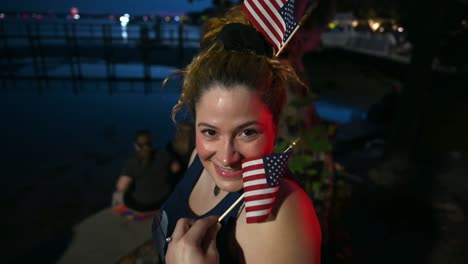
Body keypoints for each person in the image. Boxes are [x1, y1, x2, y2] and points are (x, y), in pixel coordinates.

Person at [152, 6, 321, 263]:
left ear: (275, 126)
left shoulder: (282, 215)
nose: (227, 156)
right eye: (210, 132)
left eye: (247, 132)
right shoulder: (198, 158)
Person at [114, 129, 174, 212]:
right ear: (151, 143)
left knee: (117, 195)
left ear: (135, 145)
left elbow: (121, 187)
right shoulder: (162, 153)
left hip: (142, 205)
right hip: (164, 199)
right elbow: (176, 169)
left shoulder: (132, 163)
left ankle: (120, 215)